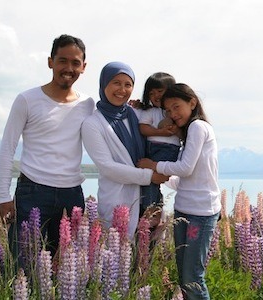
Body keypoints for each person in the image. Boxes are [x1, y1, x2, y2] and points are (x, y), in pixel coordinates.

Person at [0, 34, 95, 258]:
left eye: (75, 63)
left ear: (84, 67)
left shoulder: (88, 105)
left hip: (72, 195)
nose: (68, 68)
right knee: (24, 267)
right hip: (33, 191)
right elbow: (7, 148)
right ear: (50, 61)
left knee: (67, 271)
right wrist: (3, 197)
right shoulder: (27, 99)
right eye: (62, 60)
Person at [138, 83, 220, 300]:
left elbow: (185, 168)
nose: (173, 114)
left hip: (200, 214)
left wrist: (153, 165)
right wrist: (157, 179)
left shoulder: (198, 127)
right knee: (185, 279)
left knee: (193, 279)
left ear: (192, 102)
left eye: (176, 107)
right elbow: (187, 179)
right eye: (168, 111)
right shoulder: (189, 132)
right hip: (184, 210)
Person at [81, 61, 167, 238]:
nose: (122, 89)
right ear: (104, 84)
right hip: (118, 201)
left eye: (128, 85)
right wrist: (150, 176)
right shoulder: (93, 123)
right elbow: (107, 167)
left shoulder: (137, 114)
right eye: (116, 83)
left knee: (146, 259)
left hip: (149, 200)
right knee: (117, 260)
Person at [138, 72, 180, 217]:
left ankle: (150, 211)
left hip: (168, 150)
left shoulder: (175, 112)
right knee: (150, 180)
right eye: (151, 93)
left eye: (160, 91)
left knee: (151, 179)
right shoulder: (150, 111)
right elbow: (143, 128)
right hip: (152, 148)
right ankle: (156, 209)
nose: (156, 95)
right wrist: (162, 132)